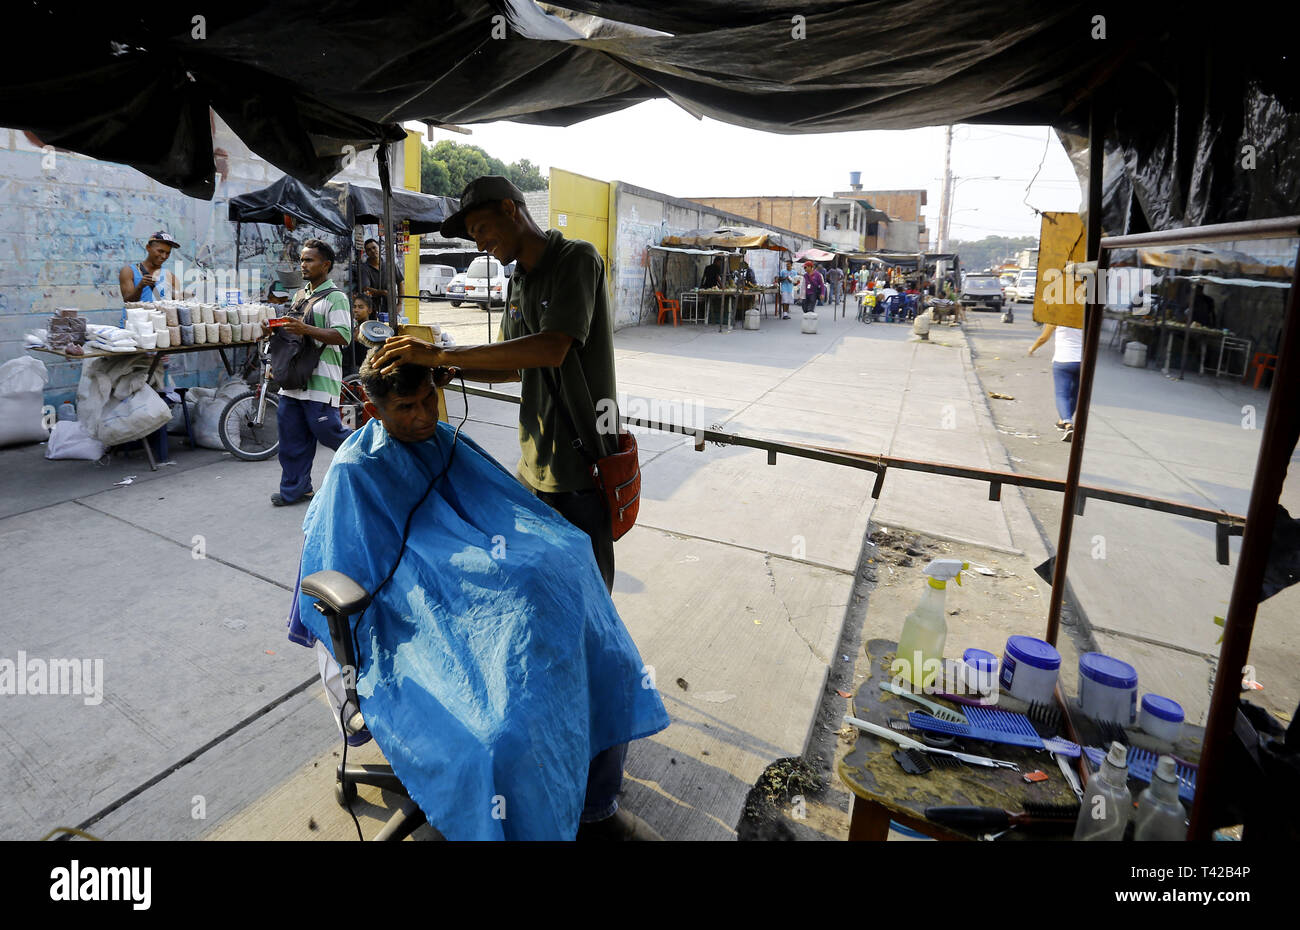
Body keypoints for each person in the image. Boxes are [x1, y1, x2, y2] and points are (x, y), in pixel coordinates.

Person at [369, 176, 656, 839]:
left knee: (586, 624)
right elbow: (515, 365)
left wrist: (443, 352)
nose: (481, 242)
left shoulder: (574, 260)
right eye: (471, 238)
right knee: (546, 623)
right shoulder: (517, 284)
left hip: (580, 471)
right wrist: (450, 369)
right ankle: (555, 749)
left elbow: (553, 348)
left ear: (510, 209)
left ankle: (595, 785)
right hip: (535, 470)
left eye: (484, 229)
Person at [287, 354, 670, 840]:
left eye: (430, 398)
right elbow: (346, 573)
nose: (425, 415)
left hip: (472, 601)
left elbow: (503, 510)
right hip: (409, 623)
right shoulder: (354, 473)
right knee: (499, 737)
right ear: (372, 405)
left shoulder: (444, 443)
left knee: (601, 645)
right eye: (406, 406)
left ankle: (594, 807)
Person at [262, 238, 354, 505]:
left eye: (309, 260)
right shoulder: (301, 295)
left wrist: (305, 329)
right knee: (292, 440)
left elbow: (343, 336)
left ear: (325, 265)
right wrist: (276, 329)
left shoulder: (336, 297)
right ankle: (296, 490)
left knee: (330, 433)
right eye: (302, 259)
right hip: (293, 379)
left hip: (320, 381)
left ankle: (374, 456)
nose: (303, 264)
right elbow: (294, 334)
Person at [1028, 322, 1084, 442]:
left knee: (1062, 395)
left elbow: (1044, 337)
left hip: (1062, 361)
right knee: (1074, 394)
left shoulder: (1057, 317)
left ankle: (1068, 424)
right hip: (1082, 362)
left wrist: (1032, 348)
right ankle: (1062, 421)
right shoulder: (1086, 317)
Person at [118, 230, 181, 305]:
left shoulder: (170, 277)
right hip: (135, 316)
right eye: (160, 251)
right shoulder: (129, 271)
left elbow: (174, 302)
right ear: (148, 248)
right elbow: (128, 301)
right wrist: (140, 286)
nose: (164, 256)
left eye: (168, 253)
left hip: (158, 316)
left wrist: (183, 296)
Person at [359, 237, 405, 321]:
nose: (372, 251)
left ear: (379, 248)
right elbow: (366, 289)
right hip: (372, 308)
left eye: (374, 247)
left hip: (390, 305)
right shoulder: (364, 268)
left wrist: (400, 303)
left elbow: (400, 282)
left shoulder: (390, 264)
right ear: (367, 253)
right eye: (369, 250)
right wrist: (382, 292)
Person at [341, 293, 376, 378]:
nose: (356, 310)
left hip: (359, 374)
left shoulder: (371, 330)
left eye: (360, 307)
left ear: (369, 310)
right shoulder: (353, 328)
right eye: (354, 307)